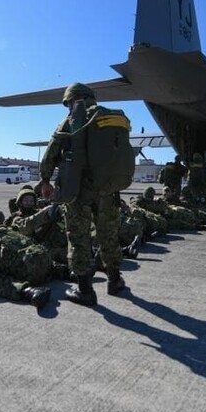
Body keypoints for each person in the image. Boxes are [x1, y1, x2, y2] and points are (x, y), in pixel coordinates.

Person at [39, 82, 131, 306]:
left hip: (78, 191)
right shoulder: (108, 118)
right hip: (107, 189)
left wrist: (45, 179)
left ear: (72, 100)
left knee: (78, 237)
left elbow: (51, 154)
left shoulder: (72, 121)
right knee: (108, 233)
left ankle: (85, 290)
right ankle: (115, 280)